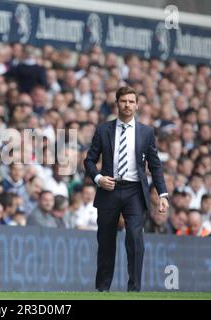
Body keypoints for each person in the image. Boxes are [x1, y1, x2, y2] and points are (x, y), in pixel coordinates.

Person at [84, 86, 169, 292]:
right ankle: (102, 289)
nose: (127, 105)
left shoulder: (147, 132)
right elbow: (89, 161)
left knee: (135, 238)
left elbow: (155, 165)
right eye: (124, 101)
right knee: (105, 241)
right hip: (108, 189)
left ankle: (134, 290)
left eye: (131, 101)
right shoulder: (104, 129)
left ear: (137, 105)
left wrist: (163, 194)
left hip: (134, 191)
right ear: (117, 104)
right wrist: (98, 178)